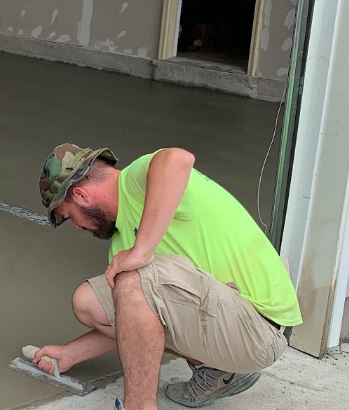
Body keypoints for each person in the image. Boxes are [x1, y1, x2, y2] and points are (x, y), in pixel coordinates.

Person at [33, 144, 302, 410]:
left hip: (261, 324)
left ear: (81, 195)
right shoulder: (121, 242)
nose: (78, 227)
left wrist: (141, 250)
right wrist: (71, 354)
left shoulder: (136, 181)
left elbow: (177, 159)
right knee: (90, 300)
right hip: (228, 321)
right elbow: (135, 325)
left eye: (69, 217)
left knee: (132, 278)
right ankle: (220, 372)